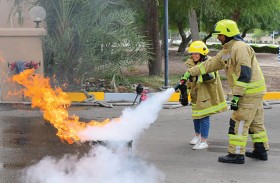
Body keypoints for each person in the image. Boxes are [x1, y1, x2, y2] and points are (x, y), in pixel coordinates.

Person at [181, 19, 269, 164]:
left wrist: (236, 96)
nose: (218, 37)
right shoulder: (228, 50)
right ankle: (260, 151)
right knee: (255, 124)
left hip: (248, 93)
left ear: (228, 33)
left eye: (220, 34)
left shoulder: (239, 48)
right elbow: (209, 64)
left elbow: (245, 74)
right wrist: (190, 72)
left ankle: (236, 154)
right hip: (254, 92)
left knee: (238, 121)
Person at [184, 41, 228, 150]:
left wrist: (192, 77)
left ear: (202, 54)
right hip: (195, 93)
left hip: (206, 94)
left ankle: (204, 141)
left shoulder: (209, 63)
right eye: (192, 53)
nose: (194, 56)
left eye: (196, 54)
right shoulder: (191, 63)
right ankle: (197, 136)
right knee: (196, 116)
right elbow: (190, 78)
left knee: (204, 116)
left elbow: (209, 77)